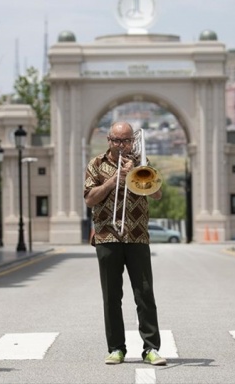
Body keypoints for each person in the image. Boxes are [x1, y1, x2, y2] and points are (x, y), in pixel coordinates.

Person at [84, 121, 167, 366]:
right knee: (111, 296)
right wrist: (113, 181)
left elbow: (157, 194)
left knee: (144, 294)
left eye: (127, 140)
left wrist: (135, 173)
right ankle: (116, 349)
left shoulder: (141, 162)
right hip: (107, 236)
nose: (122, 145)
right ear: (109, 140)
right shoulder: (96, 164)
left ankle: (151, 348)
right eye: (117, 140)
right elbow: (89, 199)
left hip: (138, 236)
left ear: (133, 141)